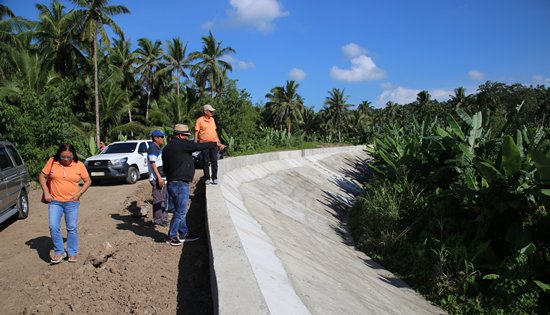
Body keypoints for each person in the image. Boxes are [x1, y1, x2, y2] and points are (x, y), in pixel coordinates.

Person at [162, 124, 216, 246]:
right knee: (180, 212)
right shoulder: (182, 144)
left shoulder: (167, 148)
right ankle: (171, 236)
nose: (187, 138)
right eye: (186, 136)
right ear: (180, 135)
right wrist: (213, 144)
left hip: (171, 183)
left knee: (178, 211)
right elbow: (199, 146)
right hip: (180, 183)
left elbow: (165, 168)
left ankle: (184, 233)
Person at [38, 143, 91, 264]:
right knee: (53, 226)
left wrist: (80, 193)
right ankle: (59, 251)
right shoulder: (53, 161)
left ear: (73, 155)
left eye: (69, 157)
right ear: (59, 155)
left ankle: (72, 252)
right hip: (55, 202)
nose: (66, 160)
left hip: (72, 202)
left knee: (71, 227)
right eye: (63, 157)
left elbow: (88, 181)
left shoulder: (79, 164)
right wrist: (46, 193)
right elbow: (42, 176)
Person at [194, 104, 225, 185]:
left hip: (213, 143)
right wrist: (195, 143)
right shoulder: (199, 120)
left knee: (214, 160)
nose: (212, 112)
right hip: (204, 143)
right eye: (210, 111)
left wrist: (218, 142)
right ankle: (207, 178)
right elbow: (196, 132)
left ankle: (214, 178)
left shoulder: (212, 120)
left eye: (212, 111)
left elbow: (214, 132)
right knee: (205, 161)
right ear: (205, 111)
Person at [147, 129, 168, 226]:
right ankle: (158, 220)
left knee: (163, 199)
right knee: (158, 200)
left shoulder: (157, 148)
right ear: (155, 138)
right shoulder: (152, 148)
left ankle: (163, 218)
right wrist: (159, 177)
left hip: (162, 177)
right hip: (157, 178)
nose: (162, 140)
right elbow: (153, 164)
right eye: (161, 138)